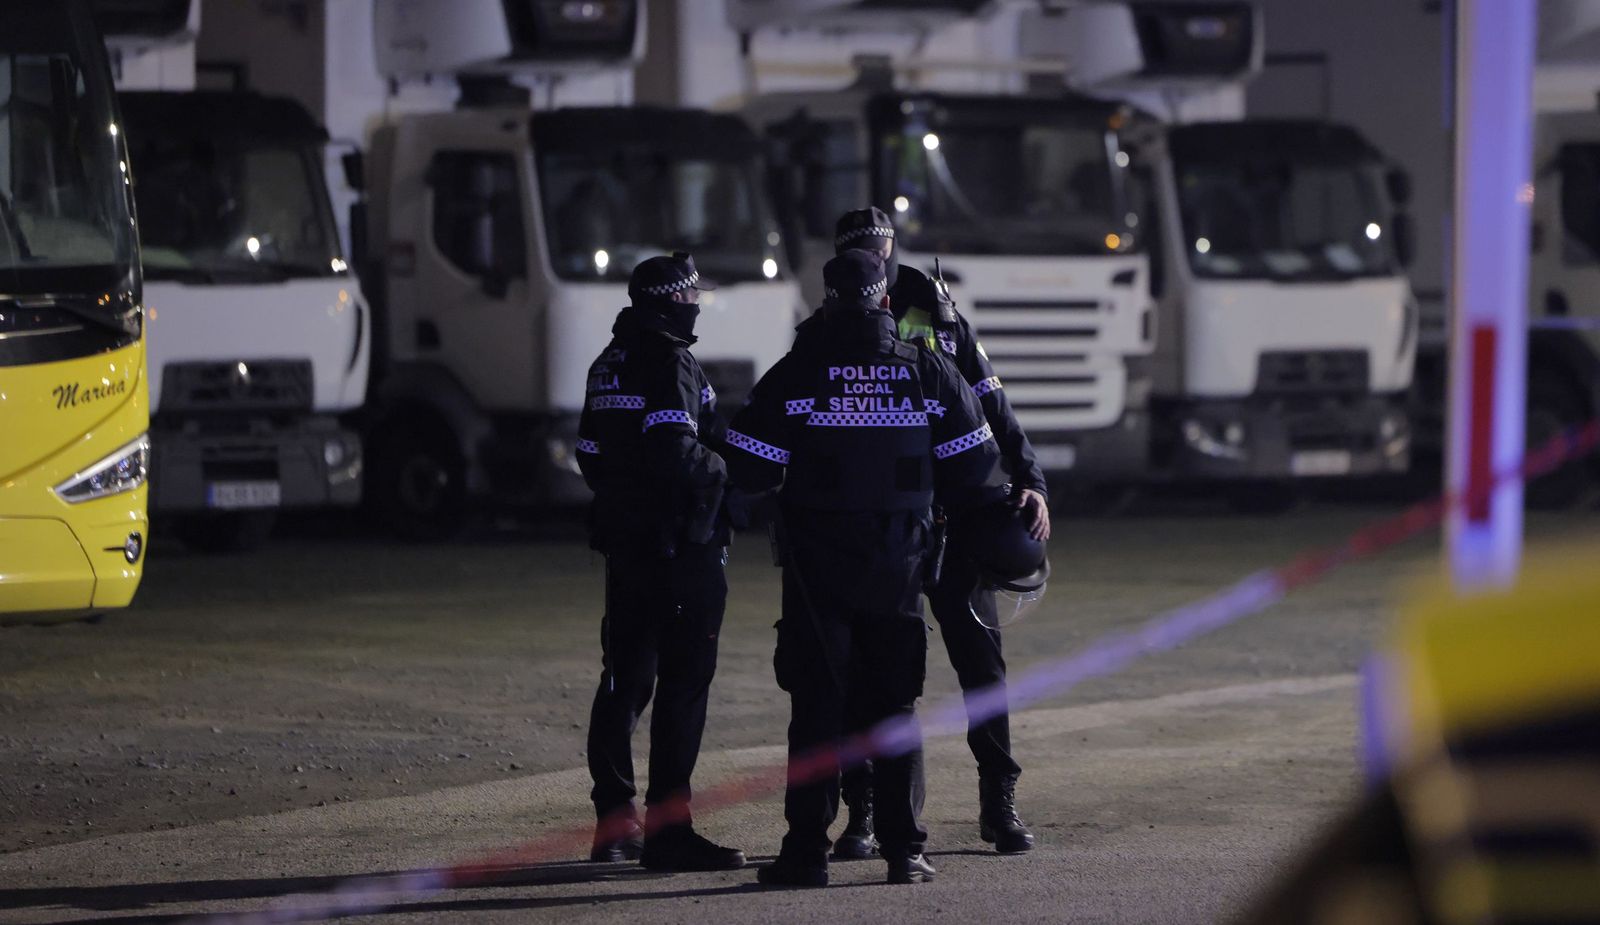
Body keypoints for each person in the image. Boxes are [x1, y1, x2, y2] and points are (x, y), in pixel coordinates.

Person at [726, 249, 1002, 887]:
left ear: (827, 300)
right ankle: (905, 852)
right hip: (900, 565)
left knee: (818, 706)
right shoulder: (928, 370)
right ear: (885, 301)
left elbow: (746, 467)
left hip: (816, 567)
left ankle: (805, 854)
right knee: (895, 706)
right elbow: (978, 469)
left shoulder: (796, 373)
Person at [831, 207, 1051, 857]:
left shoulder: (938, 311)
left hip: (955, 522)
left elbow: (993, 402)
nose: (878, 258)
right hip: (882, 529)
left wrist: (1031, 477)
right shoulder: (832, 319)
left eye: (884, 246)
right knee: (877, 676)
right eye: (867, 250)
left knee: (982, 665)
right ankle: (867, 813)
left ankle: (998, 801)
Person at [575, 252, 745, 872]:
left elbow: (589, 453)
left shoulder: (608, 362)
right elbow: (678, 449)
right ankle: (670, 833)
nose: (696, 305)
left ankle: (614, 823)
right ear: (674, 300)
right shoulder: (671, 359)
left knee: (624, 683)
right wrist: (729, 470)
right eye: (691, 296)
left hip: (626, 550)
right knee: (682, 687)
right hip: (680, 548)